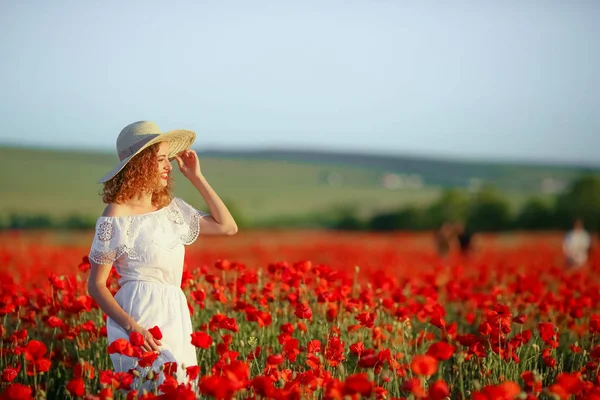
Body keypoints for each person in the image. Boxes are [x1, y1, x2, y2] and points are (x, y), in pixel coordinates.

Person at [87, 121, 238, 391]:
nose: (169, 166)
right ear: (141, 163)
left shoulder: (171, 209)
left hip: (174, 313)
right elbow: (96, 285)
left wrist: (197, 178)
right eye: (160, 160)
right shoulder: (116, 214)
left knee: (180, 388)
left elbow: (228, 227)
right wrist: (132, 328)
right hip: (138, 315)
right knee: (149, 388)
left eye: (167, 159)